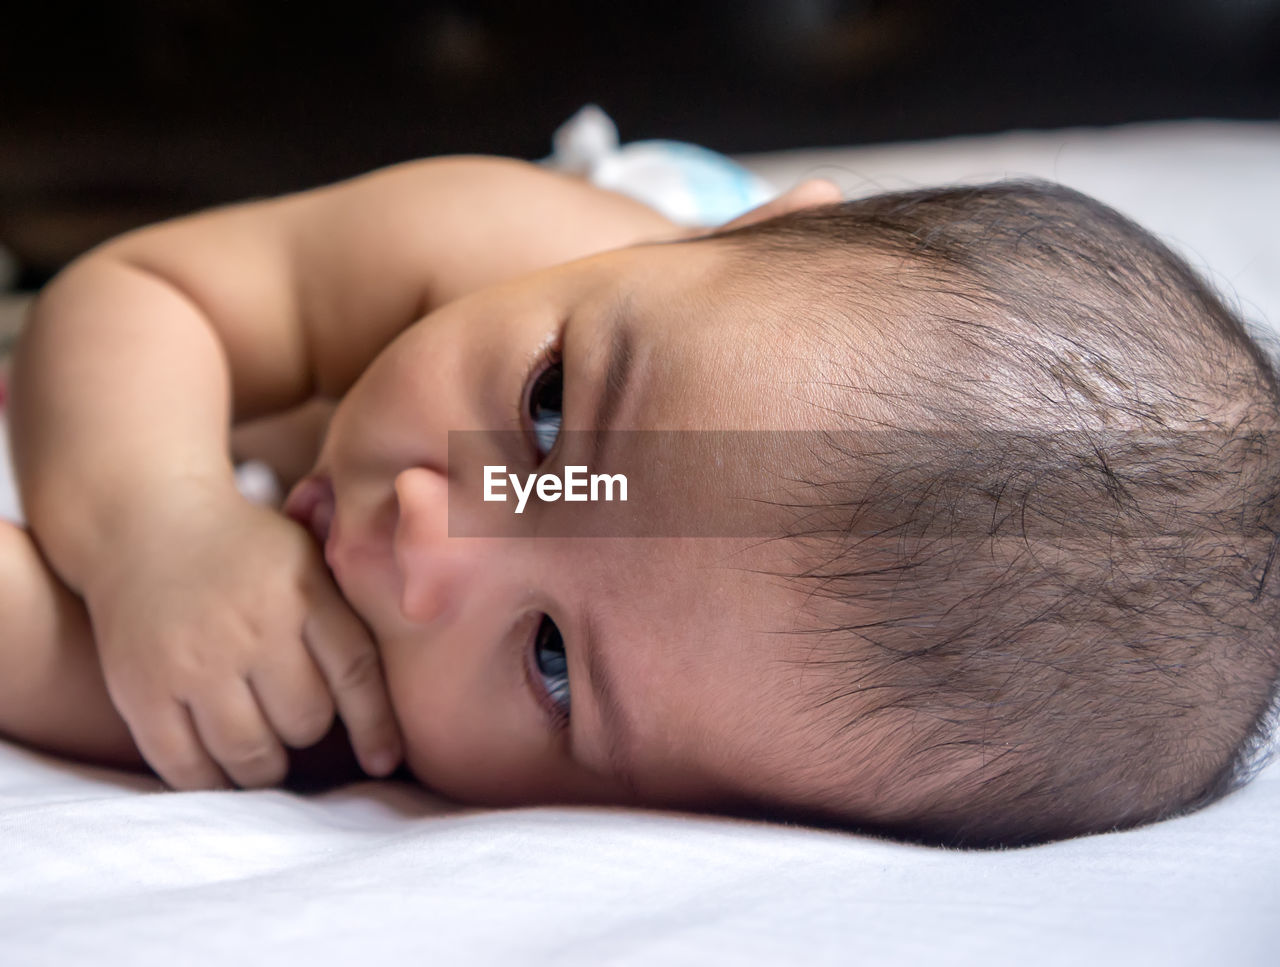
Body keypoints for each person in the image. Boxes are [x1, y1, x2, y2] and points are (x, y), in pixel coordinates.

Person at [3, 151, 1278, 848]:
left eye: (552, 659)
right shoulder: (515, 244)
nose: (430, 542)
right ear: (741, 239)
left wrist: (147, 630)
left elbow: (44, 656)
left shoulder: (440, 716)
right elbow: (151, 291)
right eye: (547, 413)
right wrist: (154, 524)